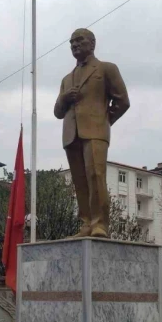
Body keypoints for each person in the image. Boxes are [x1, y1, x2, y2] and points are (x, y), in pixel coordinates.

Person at [53, 28, 130, 238]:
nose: (74, 45)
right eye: (71, 42)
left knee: (96, 176)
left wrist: (105, 121)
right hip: (71, 134)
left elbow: (122, 100)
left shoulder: (106, 69)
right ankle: (86, 223)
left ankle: (100, 224)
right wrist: (65, 98)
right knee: (80, 181)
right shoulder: (66, 79)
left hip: (96, 131)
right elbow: (57, 112)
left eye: (79, 40)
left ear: (92, 43)